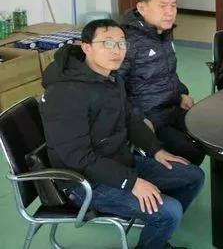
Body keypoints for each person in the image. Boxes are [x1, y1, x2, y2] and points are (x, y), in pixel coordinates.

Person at [40, 19, 205, 249]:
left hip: (119, 162)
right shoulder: (65, 93)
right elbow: (78, 157)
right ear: (86, 47)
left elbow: (130, 118)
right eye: (107, 43)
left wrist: (156, 150)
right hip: (84, 182)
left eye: (121, 43)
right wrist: (131, 183)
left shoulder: (110, 76)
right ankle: (158, 225)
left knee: (192, 176)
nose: (116, 50)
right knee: (170, 211)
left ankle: (156, 226)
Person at [118, 0, 205, 166]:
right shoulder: (127, 40)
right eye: (162, 6)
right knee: (190, 150)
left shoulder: (163, 32)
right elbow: (114, 87)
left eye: (173, 6)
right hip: (149, 116)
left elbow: (167, 72)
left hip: (171, 106)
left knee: (208, 131)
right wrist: (137, 119)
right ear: (142, 8)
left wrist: (181, 93)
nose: (170, 12)